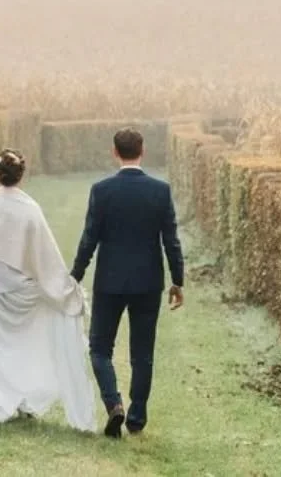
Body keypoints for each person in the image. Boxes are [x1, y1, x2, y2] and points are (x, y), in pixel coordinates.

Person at [0, 149, 96, 432]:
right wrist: (64, 290)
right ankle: (20, 400)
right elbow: (45, 257)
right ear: (21, 176)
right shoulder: (30, 208)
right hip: (18, 290)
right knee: (20, 345)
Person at [70, 127, 185, 439]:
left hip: (109, 281)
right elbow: (171, 240)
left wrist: (76, 275)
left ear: (115, 152)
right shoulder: (160, 191)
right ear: (142, 151)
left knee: (99, 348)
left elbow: (89, 238)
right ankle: (137, 416)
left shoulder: (102, 190)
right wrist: (177, 280)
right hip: (148, 282)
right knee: (142, 352)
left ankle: (113, 404)